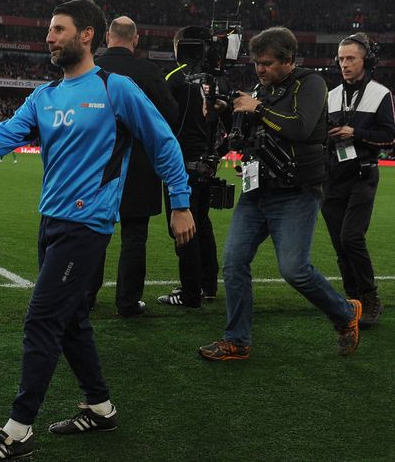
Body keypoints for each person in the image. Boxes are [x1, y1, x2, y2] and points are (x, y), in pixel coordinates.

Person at [0, 0, 195, 462]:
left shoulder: (114, 87)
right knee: (71, 320)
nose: (49, 37)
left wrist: (180, 204)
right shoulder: (44, 96)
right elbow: (4, 135)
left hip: (88, 225)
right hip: (51, 222)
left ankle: (18, 431)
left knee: (42, 320)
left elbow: (163, 142)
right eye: (49, 30)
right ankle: (100, 408)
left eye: (59, 29)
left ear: (88, 35)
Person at [199, 27, 362, 362]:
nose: (260, 69)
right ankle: (237, 340)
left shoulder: (311, 84)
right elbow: (250, 133)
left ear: (289, 60)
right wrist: (227, 110)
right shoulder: (263, 88)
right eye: (258, 63)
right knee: (233, 262)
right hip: (257, 190)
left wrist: (257, 108)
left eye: (268, 63)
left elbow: (300, 128)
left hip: (297, 192)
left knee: (294, 269)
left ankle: (345, 313)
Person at [87, 15, 179, 316]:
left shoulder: (90, 68)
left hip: (96, 166)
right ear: (135, 40)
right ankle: (127, 301)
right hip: (139, 167)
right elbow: (170, 114)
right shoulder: (148, 71)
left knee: (95, 231)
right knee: (135, 236)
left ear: (107, 38)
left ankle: (86, 295)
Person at [322, 33, 395, 326]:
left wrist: (355, 133)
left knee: (351, 237)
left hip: (363, 175)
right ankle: (353, 299)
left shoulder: (381, 94)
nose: (344, 64)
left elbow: (389, 136)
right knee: (340, 245)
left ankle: (369, 296)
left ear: (367, 61)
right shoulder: (331, 95)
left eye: (351, 58)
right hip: (333, 177)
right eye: (341, 58)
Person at [156, 26, 222, 308]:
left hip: (180, 164)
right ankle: (207, 285)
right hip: (206, 163)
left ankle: (190, 291)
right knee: (202, 223)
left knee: (183, 227)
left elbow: (160, 121)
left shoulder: (174, 79)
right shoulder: (215, 80)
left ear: (178, 47)